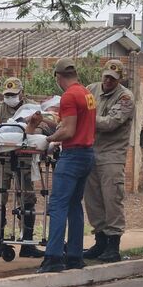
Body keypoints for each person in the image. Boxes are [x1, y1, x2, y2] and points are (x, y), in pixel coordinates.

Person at [38, 58, 97, 273]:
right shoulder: (86, 93)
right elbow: (75, 124)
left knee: (58, 205)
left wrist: (50, 139)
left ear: (58, 76)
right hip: (87, 154)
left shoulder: (69, 96)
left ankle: (53, 257)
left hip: (72, 155)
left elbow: (69, 130)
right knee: (74, 205)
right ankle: (74, 256)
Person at [83, 60, 135, 262]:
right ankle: (100, 241)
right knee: (93, 200)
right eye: (106, 76)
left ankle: (113, 244)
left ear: (119, 79)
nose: (108, 81)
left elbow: (110, 123)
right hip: (91, 151)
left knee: (111, 199)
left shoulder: (125, 97)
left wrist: (85, 117)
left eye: (113, 78)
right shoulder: (91, 90)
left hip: (112, 155)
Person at [0, 77, 44, 258]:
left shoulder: (33, 108)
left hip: (25, 158)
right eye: (7, 95)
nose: (10, 98)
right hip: (2, 158)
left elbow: (40, 129)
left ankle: (27, 242)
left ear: (22, 93)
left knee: (27, 197)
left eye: (13, 94)